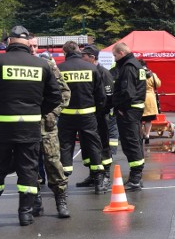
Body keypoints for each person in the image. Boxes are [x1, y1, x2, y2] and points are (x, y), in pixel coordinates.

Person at [0, 25, 61, 226]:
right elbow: (55, 97)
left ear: (9, 41)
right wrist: (36, 111)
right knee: (28, 169)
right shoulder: (42, 65)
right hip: (29, 127)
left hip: (1, 126)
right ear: (28, 43)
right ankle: (25, 214)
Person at [29, 37, 71, 218]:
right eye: (29, 45)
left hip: (47, 124)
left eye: (35, 46)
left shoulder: (47, 65)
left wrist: (54, 113)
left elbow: (64, 91)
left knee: (53, 161)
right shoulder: (20, 65)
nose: (32, 49)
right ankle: (35, 200)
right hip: (26, 124)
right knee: (29, 165)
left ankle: (60, 200)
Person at [58, 41, 107, 194]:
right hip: (88, 115)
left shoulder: (60, 69)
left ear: (65, 52)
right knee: (93, 146)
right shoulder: (92, 68)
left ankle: (63, 183)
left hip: (66, 116)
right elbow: (101, 95)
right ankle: (99, 182)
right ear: (79, 50)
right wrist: (96, 111)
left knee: (66, 147)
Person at [75, 45, 118, 190]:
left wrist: (100, 112)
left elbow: (109, 97)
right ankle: (93, 175)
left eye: (84, 55)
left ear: (92, 57)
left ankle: (105, 175)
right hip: (87, 117)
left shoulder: (103, 73)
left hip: (100, 117)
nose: (81, 58)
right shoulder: (88, 71)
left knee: (103, 145)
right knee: (87, 146)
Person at [112, 42, 147, 191]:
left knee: (131, 143)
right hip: (135, 109)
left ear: (121, 53)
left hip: (128, 110)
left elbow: (127, 93)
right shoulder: (136, 65)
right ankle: (136, 176)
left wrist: (119, 107)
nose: (114, 58)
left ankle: (135, 178)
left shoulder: (128, 67)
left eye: (115, 55)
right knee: (135, 141)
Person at [141, 62, 162, 144]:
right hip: (150, 98)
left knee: (139, 120)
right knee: (148, 120)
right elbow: (158, 84)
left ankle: (141, 134)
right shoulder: (152, 74)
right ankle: (147, 135)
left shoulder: (137, 74)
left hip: (140, 98)